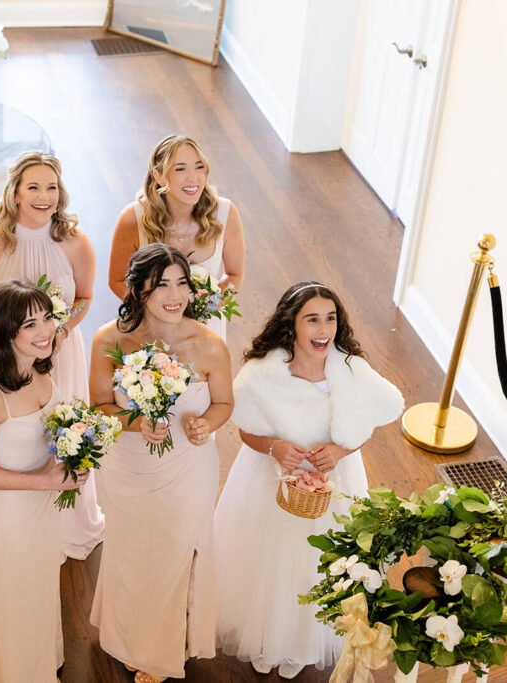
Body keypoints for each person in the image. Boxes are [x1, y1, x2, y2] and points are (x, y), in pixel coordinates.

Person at [212, 282, 404, 678]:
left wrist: (340, 450)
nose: (324, 329)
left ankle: (301, 643)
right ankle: (264, 635)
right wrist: (273, 448)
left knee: (317, 564)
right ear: (292, 324)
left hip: (333, 483)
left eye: (330, 318)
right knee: (268, 558)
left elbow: (366, 421)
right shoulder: (264, 372)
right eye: (312, 319)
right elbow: (245, 428)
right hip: (269, 484)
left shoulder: (350, 370)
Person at [88, 243, 234, 683]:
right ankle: (130, 634)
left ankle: (162, 647)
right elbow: (98, 407)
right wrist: (135, 423)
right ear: (137, 290)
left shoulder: (208, 344)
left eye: (182, 283)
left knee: (176, 550)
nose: (175, 295)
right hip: (128, 468)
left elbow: (224, 402)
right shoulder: (109, 340)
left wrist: (205, 424)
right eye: (161, 285)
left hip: (188, 467)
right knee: (133, 552)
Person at [0, 150, 101, 556]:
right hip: (2, 355)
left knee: (58, 430)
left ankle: (61, 519)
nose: (44, 196)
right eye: (33, 187)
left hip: (60, 351)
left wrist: (59, 331)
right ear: (15, 194)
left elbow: (84, 297)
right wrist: (17, 338)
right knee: (6, 438)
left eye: (51, 187)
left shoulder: (75, 242)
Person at [0, 279, 88, 683]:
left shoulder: (39, 369)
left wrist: (74, 454)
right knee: (11, 597)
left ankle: (36, 661)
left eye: (48, 317)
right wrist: (46, 480)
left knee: (37, 587)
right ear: (5, 331)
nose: (46, 330)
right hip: (7, 517)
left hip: (42, 507)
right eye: (30, 324)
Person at [108, 134, 245, 340]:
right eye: (180, 169)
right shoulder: (132, 219)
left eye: (199, 167)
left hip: (206, 329)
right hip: (153, 328)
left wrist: (206, 309)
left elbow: (234, 275)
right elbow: (117, 280)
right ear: (160, 176)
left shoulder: (226, 213)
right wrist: (157, 312)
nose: (194, 178)